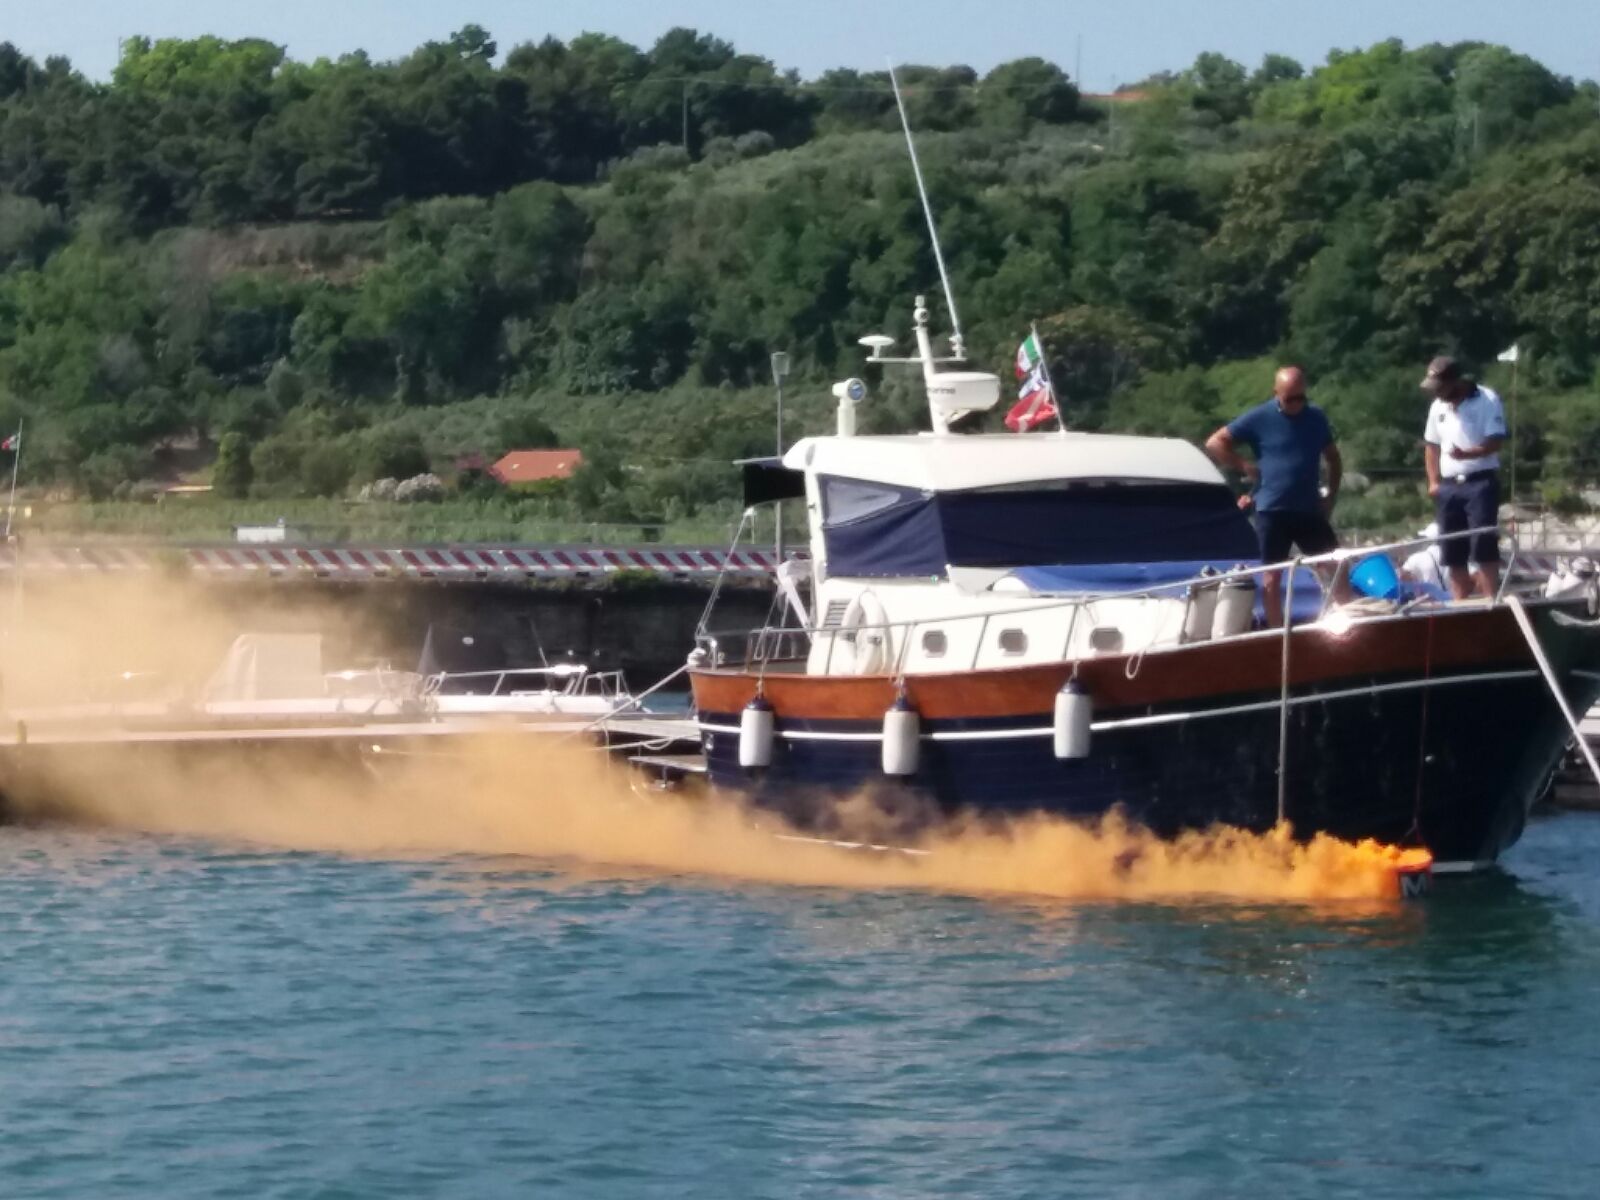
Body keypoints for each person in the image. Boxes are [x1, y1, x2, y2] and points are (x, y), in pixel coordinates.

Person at [1205, 366, 1346, 626]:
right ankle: (1277, 631)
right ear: (1276, 394)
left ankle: (1349, 618)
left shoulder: (1315, 417)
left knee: (1335, 564)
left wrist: (1331, 496)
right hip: (1272, 509)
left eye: (1301, 397)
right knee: (1272, 575)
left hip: (1307, 507)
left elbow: (1333, 458)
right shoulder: (1260, 417)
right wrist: (1243, 465)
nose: (1296, 404)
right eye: (1290, 398)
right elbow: (1215, 442)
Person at [1421, 355, 1505, 600]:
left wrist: (1466, 454)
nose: (1436, 393)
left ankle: (1491, 599)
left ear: (1455, 382)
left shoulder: (1486, 400)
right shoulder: (1438, 407)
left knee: (1483, 543)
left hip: (1479, 481)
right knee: (1451, 548)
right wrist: (1433, 480)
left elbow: (1495, 441)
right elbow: (1431, 445)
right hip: (1449, 485)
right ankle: (1460, 602)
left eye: (1440, 387)